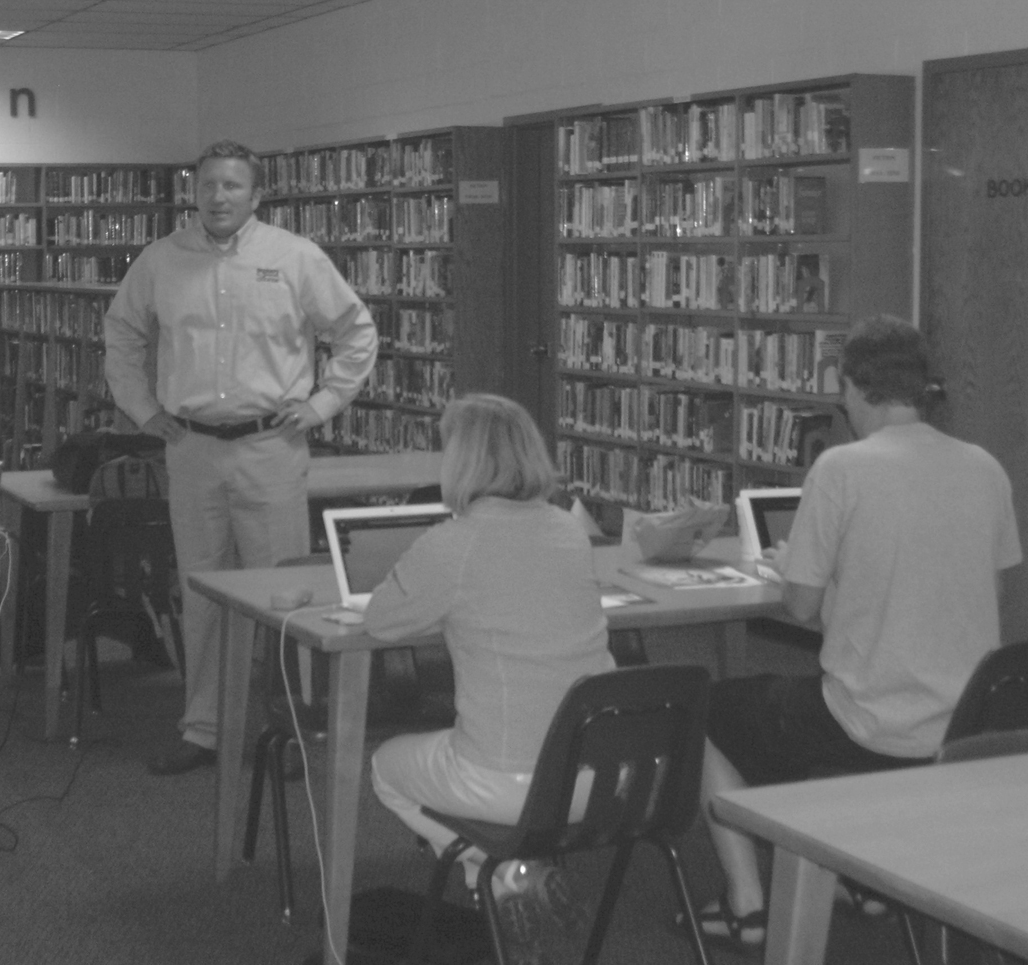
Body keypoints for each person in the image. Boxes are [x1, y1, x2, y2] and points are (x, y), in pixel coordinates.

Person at [693, 316, 1022, 952]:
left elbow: (801, 607)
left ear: (858, 387)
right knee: (789, 705)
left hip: (871, 724)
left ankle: (747, 904)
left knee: (711, 711)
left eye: (842, 389)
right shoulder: (984, 467)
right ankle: (856, 874)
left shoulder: (841, 468)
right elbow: (993, 592)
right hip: (968, 725)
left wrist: (797, 566)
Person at [103, 139, 377, 776]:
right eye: (207, 186)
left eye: (231, 186)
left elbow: (356, 332)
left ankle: (292, 731)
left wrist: (323, 403)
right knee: (201, 592)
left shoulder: (295, 257)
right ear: (194, 193)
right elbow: (122, 333)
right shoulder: (161, 260)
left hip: (269, 448)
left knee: (286, 595)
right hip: (190, 448)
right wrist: (142, 410)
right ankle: (205, 728)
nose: (218, 197)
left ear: (257, 196)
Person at [368, 394, 616, 960]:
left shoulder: (454, 542)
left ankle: (504, 873)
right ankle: (511, 880)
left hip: (510, 784)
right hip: (600, 776)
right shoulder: (568, 530)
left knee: (385, 768)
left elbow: (380, 620)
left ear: (461, 462)